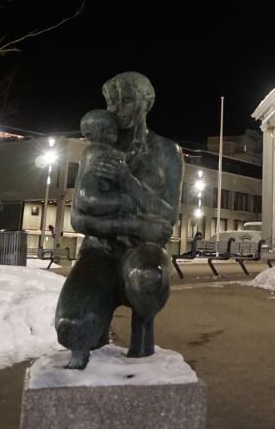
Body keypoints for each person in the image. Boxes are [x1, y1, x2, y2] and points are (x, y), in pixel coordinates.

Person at [54, 72, 183, 369]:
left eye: (125, 100)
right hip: (99, 252)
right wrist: (132, 224)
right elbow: (78, 218)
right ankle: (95, 328)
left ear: (146, 102)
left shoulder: (167, 151)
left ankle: (142, 329)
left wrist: (128, 181)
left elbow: (167, 218)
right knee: (70, 328)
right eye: (111, 102)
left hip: (143, 252)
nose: (115, 109)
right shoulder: (97, 149)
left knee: (147, 277)